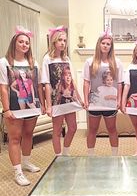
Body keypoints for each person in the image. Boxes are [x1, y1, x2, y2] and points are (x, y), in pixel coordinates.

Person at [0, 27, 41, 186]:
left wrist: (41, 104)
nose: (24, 45)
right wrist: (7, 109)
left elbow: (37, 85)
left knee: (28, 134)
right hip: (15, 107)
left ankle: (26, 162)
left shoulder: (33, 62)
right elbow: (3, 87)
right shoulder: (4, 62)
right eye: (21, 42)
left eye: (27, 43)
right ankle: (18, 171)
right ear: (14, 43)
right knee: (15, 138)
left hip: (32, 105)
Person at [40, 26, 84, 156]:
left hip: (70, 98)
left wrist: (80, 99)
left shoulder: (67, 59)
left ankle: (66, 151)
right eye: (60, 40)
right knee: (57, 130)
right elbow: (47, 83)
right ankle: (58, 157)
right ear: (54, 41)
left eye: (65, 40)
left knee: (73, 128)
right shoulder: (47, 59)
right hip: (56, 101)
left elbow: (73, 81)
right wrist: (49, 106)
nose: (63, 43)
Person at [83, 30, 123, 156]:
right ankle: (91, 155)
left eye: (108, 44)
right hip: (94, 103)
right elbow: (86, 82)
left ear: (111, 47)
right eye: (103, 43)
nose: (105, 45)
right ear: (99, 44)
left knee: (112, 129)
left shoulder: (117, 62)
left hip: (111, 104)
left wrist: (120, 100)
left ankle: (115, 155)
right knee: (92, 129)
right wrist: (85, 100)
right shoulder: (89, 62)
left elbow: (120, 83)